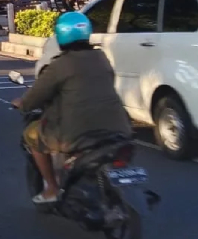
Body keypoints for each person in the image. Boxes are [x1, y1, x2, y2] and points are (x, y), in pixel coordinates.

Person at [11, 11, 131, 204]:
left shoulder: (59, 65)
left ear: (60, 36)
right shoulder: (101, 57)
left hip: (77, 134)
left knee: (31, 137)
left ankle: (51, 188)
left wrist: (21, 103)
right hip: (118, 128)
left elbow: (35, 97)